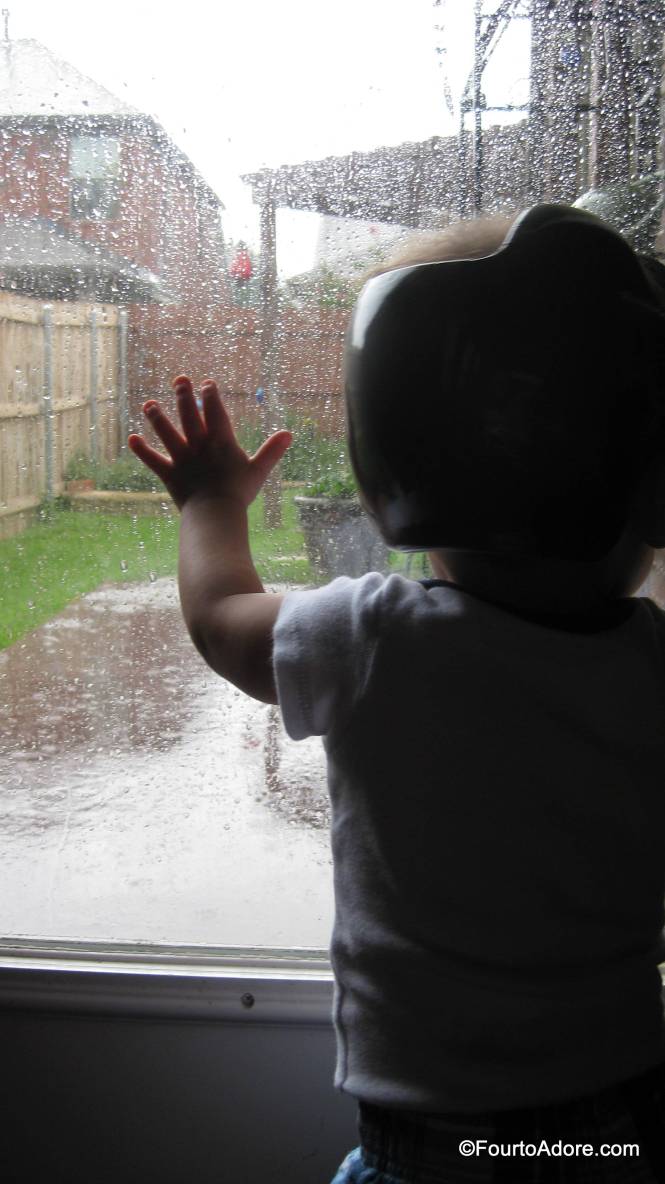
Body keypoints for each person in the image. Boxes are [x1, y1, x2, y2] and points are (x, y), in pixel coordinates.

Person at [128, 204, 665, 1183]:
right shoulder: (651, 668)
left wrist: (209, 500)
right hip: (619, 1124)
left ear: (391, 462)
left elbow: (220, 618)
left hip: (432, 1149)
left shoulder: (374, 639)